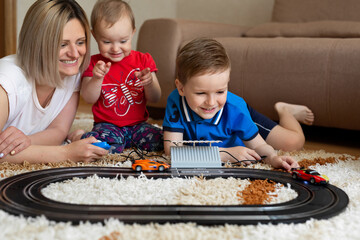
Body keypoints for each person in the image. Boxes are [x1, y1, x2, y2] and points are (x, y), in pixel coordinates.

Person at [163, 38, 301, 171]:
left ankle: (285, 111)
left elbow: (259, 146)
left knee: (292, 143)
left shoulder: (235, 110)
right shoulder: (175, 102)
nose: (211, 102)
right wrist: (223, 154)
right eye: (201, 93)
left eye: (220, 91)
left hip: (238, 113)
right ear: (181, 88)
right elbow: (172, 152)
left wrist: (272, 158)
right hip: (227, 117)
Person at [0, 0, 109, 164]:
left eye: (80, 42)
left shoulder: (72, 74)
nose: (74, 54)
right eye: (62, 44)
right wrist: (66, 153)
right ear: (38, 45)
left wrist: (26, 141)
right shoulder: (8, 80)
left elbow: (58, 131)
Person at [78, 0, 163, 153]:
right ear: (94, 36)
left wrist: (149, 83)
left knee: (161, 141)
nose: (116, 48)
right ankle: (78, 136)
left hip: (138, 125)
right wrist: (97, 78)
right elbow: (88, 97)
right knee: (101, 146)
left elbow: (156, 97)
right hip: (107, 126)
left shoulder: (143, 60)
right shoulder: (93, 63)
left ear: (132, 33)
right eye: (107, 41)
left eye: (123, 41)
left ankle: (125, 141)